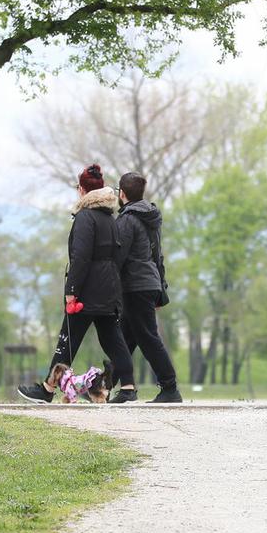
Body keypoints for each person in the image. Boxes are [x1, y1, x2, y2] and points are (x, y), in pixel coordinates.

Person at [18, 164, 136, 404]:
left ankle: (48, 388)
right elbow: (118, 255)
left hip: (87, 291)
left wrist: (71, 290)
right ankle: (128, 388)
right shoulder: (110, 219)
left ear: (82, 190)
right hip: (109, 289)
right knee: (113, 340)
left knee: (68, 339)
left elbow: (80, 257)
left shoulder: (85, 217)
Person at [114, 172, 183, 404]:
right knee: (125, 337)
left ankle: (170, 387)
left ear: (122, 194)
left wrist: (107, 285)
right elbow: (157, 255)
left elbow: (118, 257)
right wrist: (160, 289)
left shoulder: (126, 220)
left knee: (147, 337)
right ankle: (109, 385)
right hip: (149, 283)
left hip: (135, 286)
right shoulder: (150, 218)